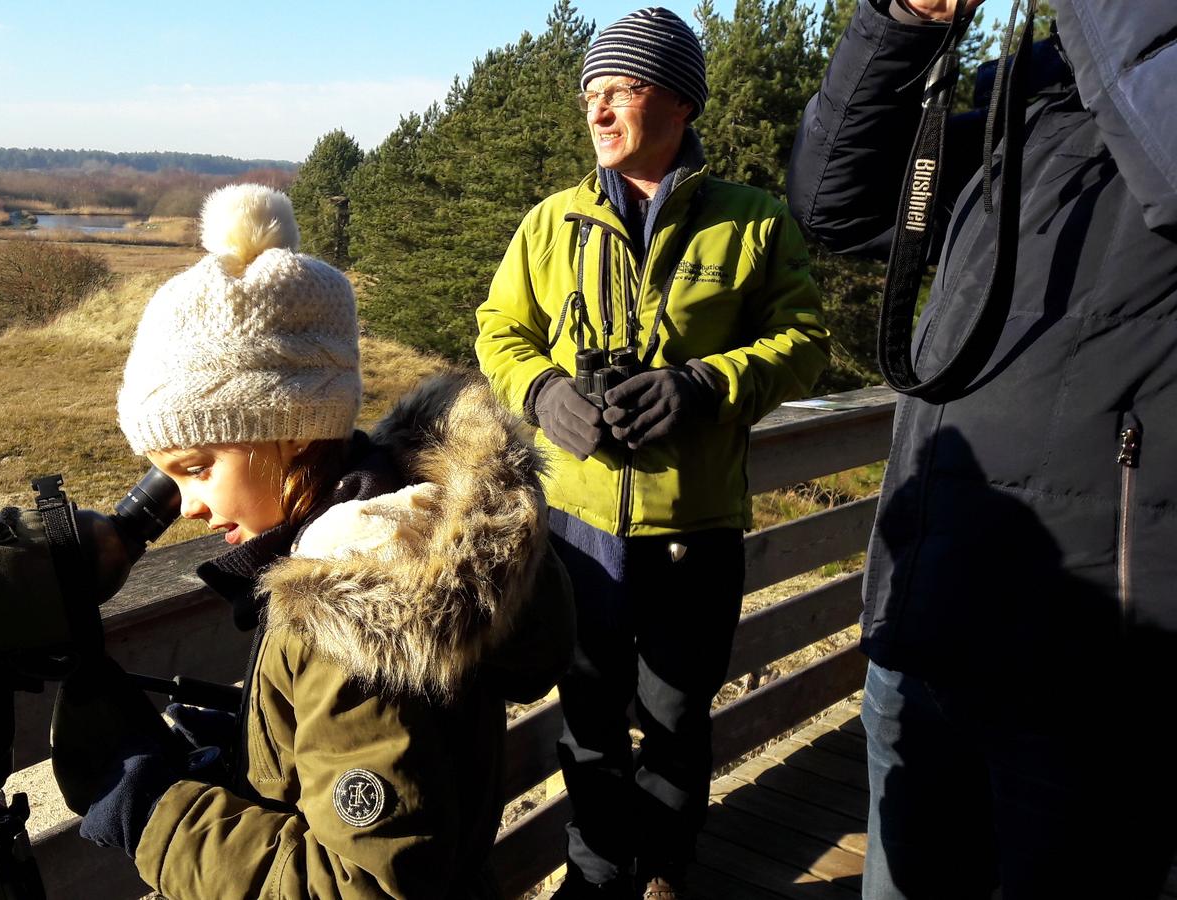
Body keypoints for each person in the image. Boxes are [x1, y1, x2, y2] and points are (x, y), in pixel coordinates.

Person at [63, 183, 574, 898]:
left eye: (198, 468)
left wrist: (155, 812)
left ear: (293, 428)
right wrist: (259, 745)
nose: (185, 507)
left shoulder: (359, 604)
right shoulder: (398, 531)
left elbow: (357, 883)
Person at [788, 1, 1177, 897]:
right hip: (927, 619)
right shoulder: (1040, 98)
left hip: (1092, 668)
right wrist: (903, 22)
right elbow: (837, 204)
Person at [474, 9, 829, 898]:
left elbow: (805, 341)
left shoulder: (750, 222)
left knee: (675, 717)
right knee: (588, 718)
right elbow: (499, 330)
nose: (598, 110)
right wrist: (545, 393)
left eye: (619, 89)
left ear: (678, 101)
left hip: (693, 529)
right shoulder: (552, 224)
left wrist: (706, 383)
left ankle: (666, 869)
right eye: (590, 94)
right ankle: (594, 879)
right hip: (579, 527)